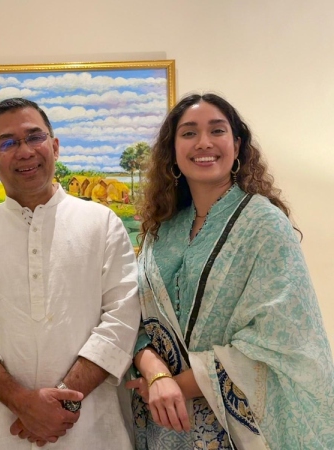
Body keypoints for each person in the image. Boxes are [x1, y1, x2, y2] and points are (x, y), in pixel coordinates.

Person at [127, 93, 334, 449]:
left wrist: (173, 385)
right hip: (163, 421)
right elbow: (134, 319)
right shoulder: (161, 230)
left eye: (217, 130)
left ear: (236, 145)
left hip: (235, 429)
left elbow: (280, 341)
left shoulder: (264, 223)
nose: (203, 142)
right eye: (189, 133)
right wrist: (156, 374)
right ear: (172, 151)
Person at [0, 98, 140, 449]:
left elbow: (122, 320)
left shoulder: (102, 224)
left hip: (92, 429)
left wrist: (62, 403)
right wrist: (22, 403)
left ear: (55, 146)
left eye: (34, 137)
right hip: (0, 431)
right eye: (7, 143)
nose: (25, 151)